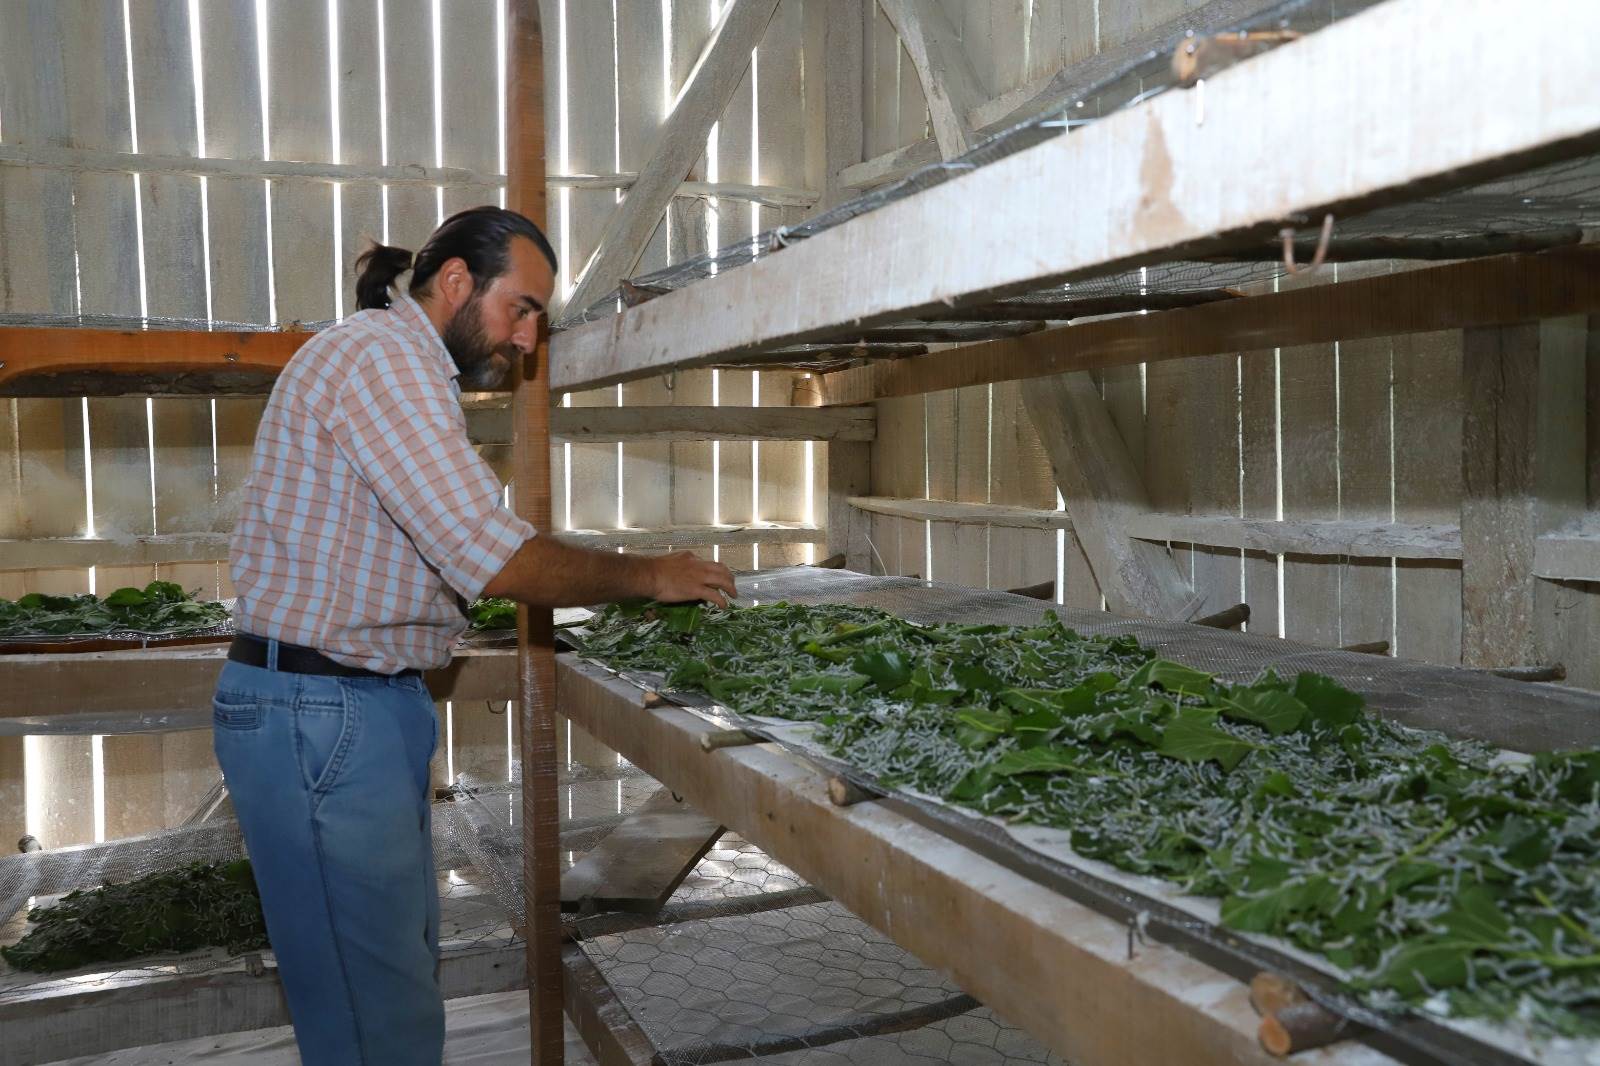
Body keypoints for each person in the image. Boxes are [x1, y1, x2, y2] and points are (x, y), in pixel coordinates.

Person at [215, 205, 735, 1065]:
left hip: (345, 711)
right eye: (521, 308)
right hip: (322, 714)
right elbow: (488, 556)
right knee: (375, 1027)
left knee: (386, 1002)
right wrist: (648, 576)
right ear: (455, 281)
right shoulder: (385, 361)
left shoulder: (393, 366)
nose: (529, 339)